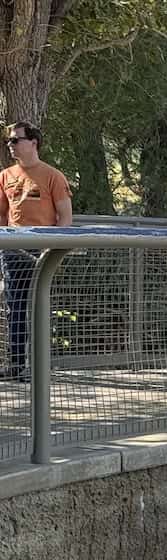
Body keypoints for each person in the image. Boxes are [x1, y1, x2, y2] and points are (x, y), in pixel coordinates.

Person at [0, 121, 72, 381]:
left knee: (39, 307)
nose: (11, 145)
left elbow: (65, 217)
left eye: (16, 140)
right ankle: (17, 365)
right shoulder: (5, 176)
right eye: (9, 141)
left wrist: (54, 248)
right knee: (15, 306)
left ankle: (40, 365)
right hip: (12, 248)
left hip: (42, 248)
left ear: (33, 142)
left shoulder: (53, 176)